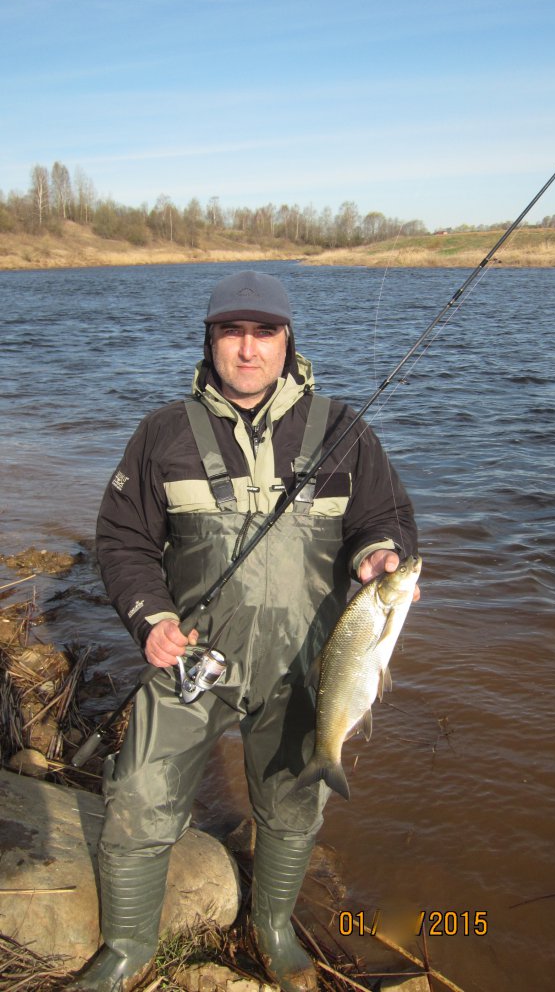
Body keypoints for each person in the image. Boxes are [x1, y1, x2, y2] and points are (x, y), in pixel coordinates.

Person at [69, 270, 418, 992]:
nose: (249, 349)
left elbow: (385, 519)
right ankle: (128, 947)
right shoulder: (162, 433)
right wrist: (151, 619)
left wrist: (379, 554)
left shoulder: (345, 431)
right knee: (137, 794)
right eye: (233, 332)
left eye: (265, 333)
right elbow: (123, 541)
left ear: (288, 342)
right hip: (193, 658)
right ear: (211, 341)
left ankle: (273, 927)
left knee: (294, 801)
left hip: (305, 664)